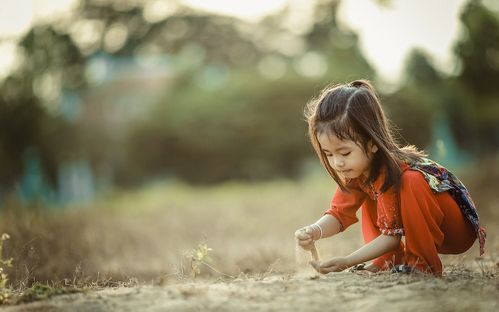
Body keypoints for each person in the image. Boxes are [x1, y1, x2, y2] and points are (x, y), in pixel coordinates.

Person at [294, 79, 486, 276]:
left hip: (455, 231)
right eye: (328, 154)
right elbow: (338, 214)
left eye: (344, 153)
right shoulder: (356, 172)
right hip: (424, 227)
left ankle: (422, 265)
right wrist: (314, 231)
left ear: (372, 143)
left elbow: (390, 238)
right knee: (371, 194)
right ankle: (388, 261)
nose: (337, 163)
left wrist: (347, 261)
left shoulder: (393, 171)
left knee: (411, 181)